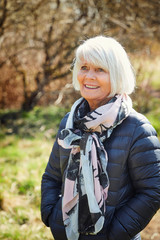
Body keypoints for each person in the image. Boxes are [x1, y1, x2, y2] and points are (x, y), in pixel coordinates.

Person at [41, 36, 160, 240]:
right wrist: (52, 217)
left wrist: (113, 234)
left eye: (100, 70)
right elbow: (52, 177)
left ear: (117, 75)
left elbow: (152, 191)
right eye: (84, 67)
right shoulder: (70, 122)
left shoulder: (137, 128)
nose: (89, 76)